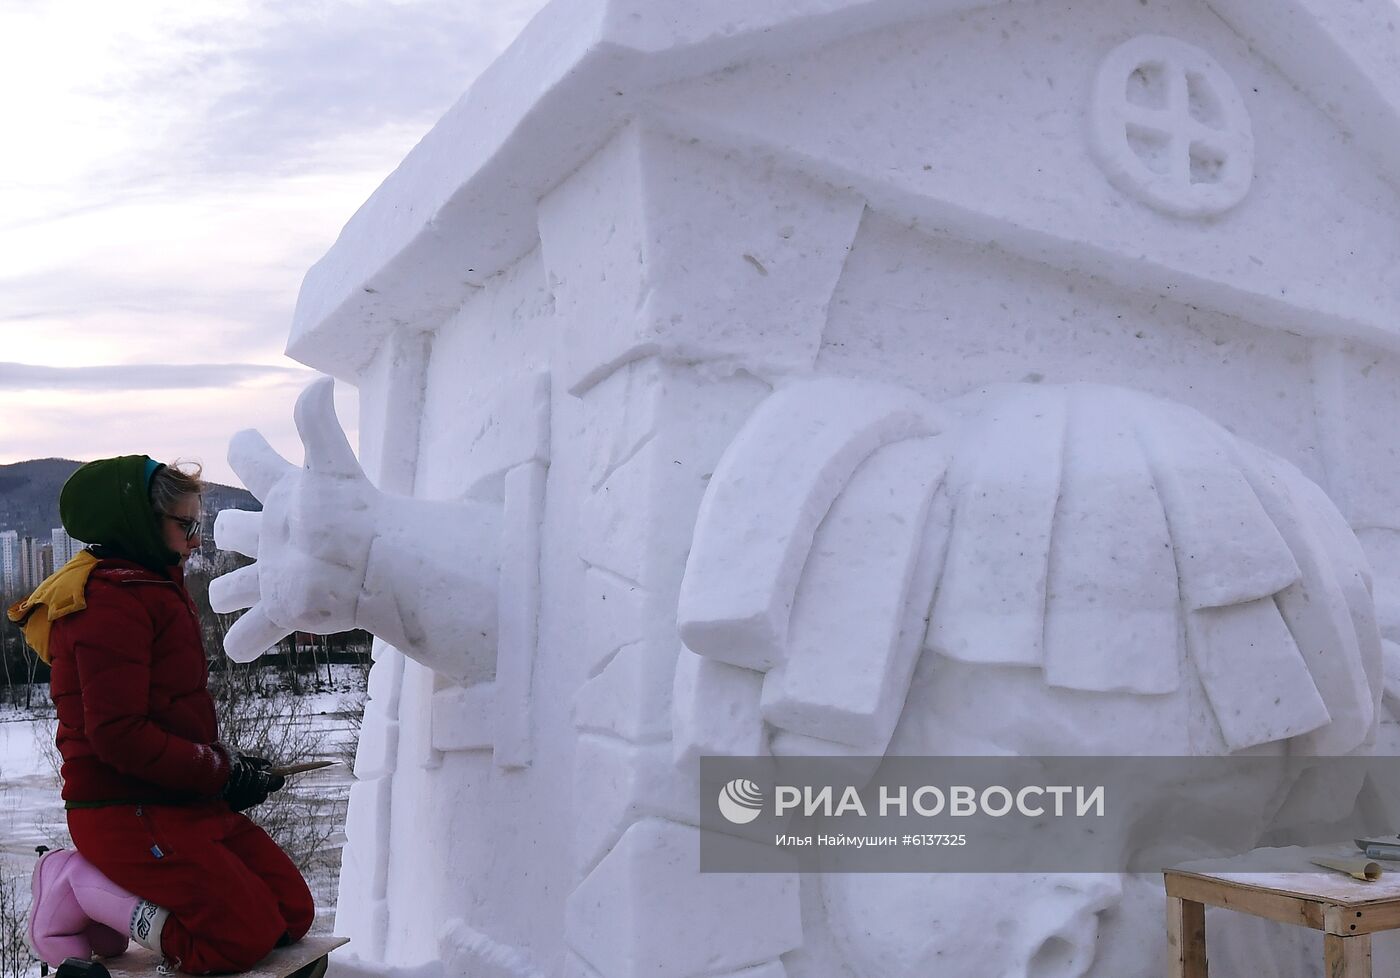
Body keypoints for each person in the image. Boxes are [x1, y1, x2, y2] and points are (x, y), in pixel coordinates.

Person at [8, 455, 315, 975]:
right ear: (139, 524)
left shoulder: (156, 586)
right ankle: (75, 885)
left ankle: (117, 892)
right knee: (239, 938)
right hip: (122, 806)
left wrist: (228, 766)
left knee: (291, 914)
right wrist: (218, 770)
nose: (196, 539)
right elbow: (120, 737)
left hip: (179, 799)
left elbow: (170, 717)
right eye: (186, 525)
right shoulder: (106, 604)